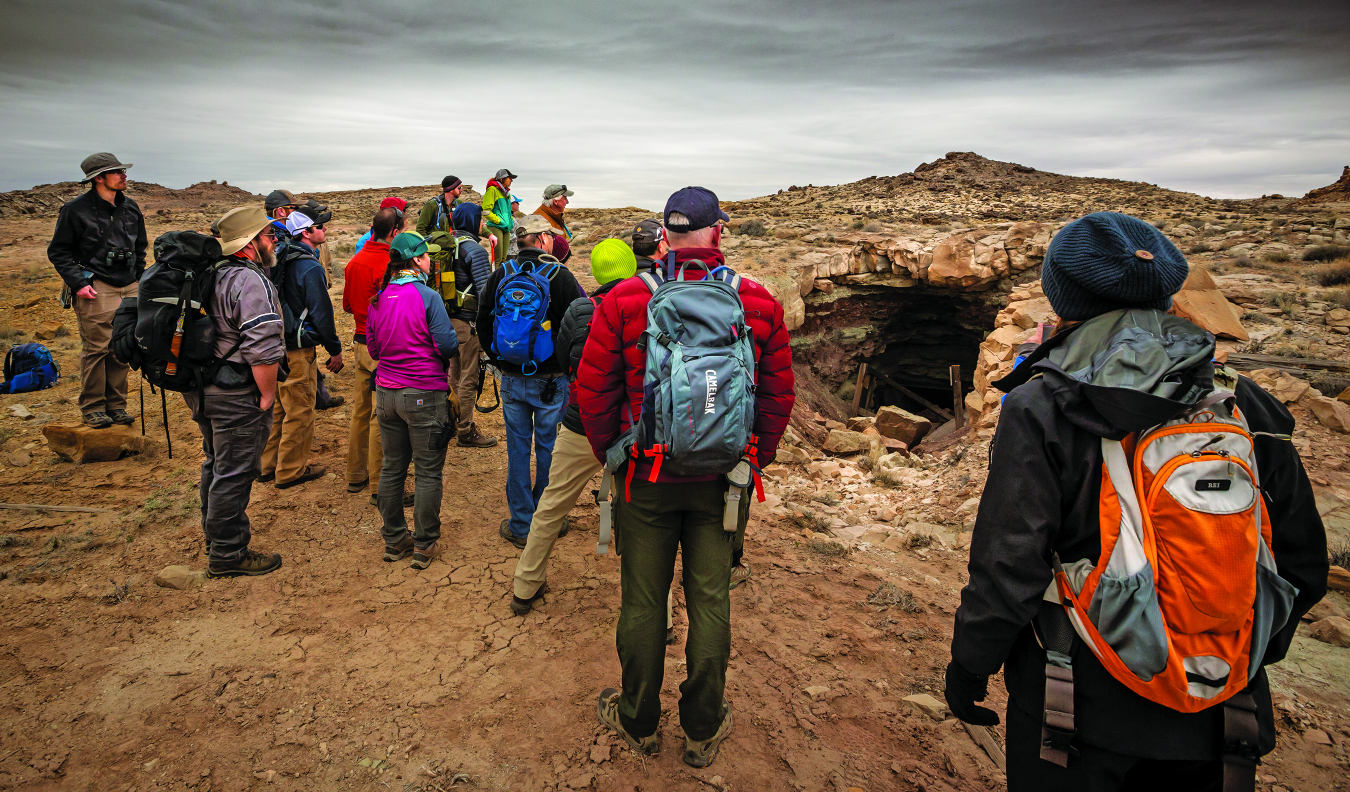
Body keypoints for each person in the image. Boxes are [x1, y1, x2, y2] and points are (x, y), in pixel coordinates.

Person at [946, 212, 1328, 792]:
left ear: (1062, 295)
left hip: (1075, 710)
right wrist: (1233, 649)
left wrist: (972, 664)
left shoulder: (1043, 406)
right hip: (1224, 717)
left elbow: (1009, 566)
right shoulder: (1243, 404)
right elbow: (1302, 563)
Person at [578, 187, 795, 767]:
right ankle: (701, 728)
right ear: (717, 233)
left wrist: (616, 454)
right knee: (710, 602)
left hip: (644, 481)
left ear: (665, 236)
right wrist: (754, 455)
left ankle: (638, 720)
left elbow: (593, 390)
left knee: (644, 605)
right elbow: (778, 392)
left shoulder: (624, 300)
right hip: (723, 482)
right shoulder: (755, 301)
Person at [509, 238, 636, 614]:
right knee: (643, 520)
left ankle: (525, 585)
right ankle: (652, 610)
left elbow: (566, 362)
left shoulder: (582, 309)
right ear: (630, 267)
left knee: (551, 504)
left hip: (582, 423)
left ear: (596, 273)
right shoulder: (651, 305)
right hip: (632, 428)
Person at [188, 206, 286, 577]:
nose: (273, 241)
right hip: (235, 392)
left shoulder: (209, 274)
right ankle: (228, 553)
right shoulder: (248, 281)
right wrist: (267, 394)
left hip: (204, 387)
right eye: (268, 236)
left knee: (216, 463)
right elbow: (261, 343)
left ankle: (216, 540)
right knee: (235, 470)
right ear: (249, 243)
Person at [476, 214, 585, 550]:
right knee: (550, 447)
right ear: (541, 240)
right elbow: (580, 324)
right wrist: (566, 368)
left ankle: (521, 524)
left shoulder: (500, 275)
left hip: (511, 377)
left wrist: (499, 362)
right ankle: (549, 519)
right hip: (552, 379)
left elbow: (482, 324)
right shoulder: (561, 276)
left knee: (518, 449)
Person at [366, 232, 459, 570]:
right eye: (426, 256)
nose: (430, 260)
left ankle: (394, 540)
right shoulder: (428, 296)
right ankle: (424, 544)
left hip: (386, 394)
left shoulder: (378, 298)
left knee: (392, 466)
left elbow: (374, 350)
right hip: (422, 393)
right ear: (417, 260)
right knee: (428, 471)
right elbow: (448, 345)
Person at [47, 152, 148, 428]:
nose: (124, 175)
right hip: (96, 286)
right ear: (98, 178)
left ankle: (116, 406)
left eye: (122, 170)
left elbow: (140, 247)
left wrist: (138, 277)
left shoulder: (130, 207)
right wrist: (78, 283)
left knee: (121, 347)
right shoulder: (75, 210)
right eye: (117, 171)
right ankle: (93, 407)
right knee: (96, 349)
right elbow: (58, 251)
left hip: (128, 286)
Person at [259, 208, 342, 489]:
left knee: (280, 408)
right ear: (305, 233)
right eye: (320, 227)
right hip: (297, 348)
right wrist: (335, 348)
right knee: (300, 409)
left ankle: (267, 465)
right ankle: (290, 471)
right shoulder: (309, 267)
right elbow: (322, 313)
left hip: (275, 345)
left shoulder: (278, 257)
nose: (325, 231)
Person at [343, 206, 415, 506]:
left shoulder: (354, 261)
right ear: (396, 232)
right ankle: (379, 486)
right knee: (380, 416)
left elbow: (347, 305)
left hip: (360, 342)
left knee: (360, 410)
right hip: (380, 347)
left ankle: (355, 474)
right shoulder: (387, 264)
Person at [444, 203, 498, 448]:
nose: (482, 224)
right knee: (468, 377)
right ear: (471, 220)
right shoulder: (474, 250)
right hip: (468, 322)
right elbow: (485, 291)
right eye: (479, 219)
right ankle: (465, 430)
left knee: (454, 374)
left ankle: (453, 422)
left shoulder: (449, 245)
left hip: (448, 321)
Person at [481, 168, 516, 264]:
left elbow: (508, 211)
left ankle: (503, 278)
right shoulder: (492, 190)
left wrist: (510, 221)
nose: (511, 180)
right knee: (497, 259)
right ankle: (495, 278)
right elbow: (485, 211)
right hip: (496, 226)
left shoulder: (507, 193)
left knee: (504, 259)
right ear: (502, 179)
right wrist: (498, 221)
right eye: (510, 178)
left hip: (506, 227)